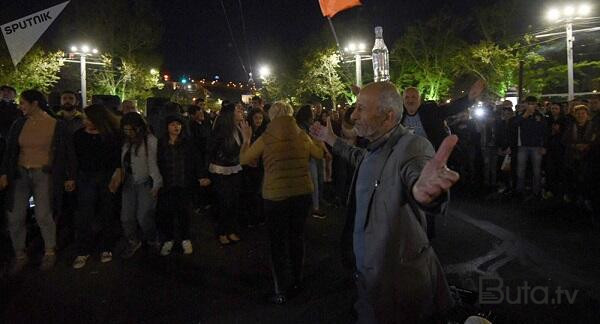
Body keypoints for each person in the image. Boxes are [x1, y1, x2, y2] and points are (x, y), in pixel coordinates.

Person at [310, 82, 458, 323]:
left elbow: (418, 175)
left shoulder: (413, 146)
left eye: (360, 109)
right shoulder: (376, 146)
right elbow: (360, 157)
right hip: (372, 280)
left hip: (397, 286)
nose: (353, 115)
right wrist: (331, 138)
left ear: (388, 116)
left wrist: (426, 192)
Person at [239, 101, 324, 304]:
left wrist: (246, 139)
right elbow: (319, 155)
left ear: (272, 116)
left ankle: (281, 288)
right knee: (296, 238)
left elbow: (244, 159)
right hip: (302, 193)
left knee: (277, 243)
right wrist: (318, 138)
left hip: (275, 196)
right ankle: (297, 280)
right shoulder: (302, 135)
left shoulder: (266, 137)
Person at [0, 90, 77, 275]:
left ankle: (49, 250)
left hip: (43, 173)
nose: (20, 106)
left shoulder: (56, 125)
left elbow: (68, 152)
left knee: (43, 214)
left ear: (35, 104)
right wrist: (4, 172)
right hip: (20, 173)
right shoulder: (19, 123)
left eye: (23, 103)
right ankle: (19, 253)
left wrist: (70, 176)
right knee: (15, 215)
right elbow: (10, 150)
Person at [71, 104, 122, 269]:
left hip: (106, 176)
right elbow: (74, 158)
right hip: (85, 177)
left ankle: (106, 247)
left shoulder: (110, 136)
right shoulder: (79, 135)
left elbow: (117, 157)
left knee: (107, 212)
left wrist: (117, 172)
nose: (85, 121)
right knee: (85, 213)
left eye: (88, 118)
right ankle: (83, 250)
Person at [118, 112, 163, 258]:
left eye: (131, 129)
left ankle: (152, 239)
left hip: (145, 182)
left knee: (144, 216)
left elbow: (154, 163)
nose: (128, 132)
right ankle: (133, 241)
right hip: (128, 182)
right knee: (126, 217)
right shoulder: (125, 141)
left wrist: (156, 184)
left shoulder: (149, 140)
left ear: (139, 128)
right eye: (125, 130)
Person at [156, 114, 201, 256]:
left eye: (179, 124)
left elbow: (195, 161)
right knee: (167, 213)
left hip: (183, 183)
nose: (176, 127)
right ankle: (169, 239)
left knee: (184, 212)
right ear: (167, 127)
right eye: (173, 124)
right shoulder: (161, 143)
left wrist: (200, 176)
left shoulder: (188, 142)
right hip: (167, 183)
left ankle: (185, 239)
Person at [402, 80, 485, 149]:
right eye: (407, 97)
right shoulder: (398, 115)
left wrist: (469, 99)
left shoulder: (430, 112)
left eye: (414, 97)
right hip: (406, 159)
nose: (410, 100)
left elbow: (450, 108)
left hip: (429, 158)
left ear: (420, 100)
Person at [207, 103, 244, 245]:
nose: (241, 112)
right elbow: (212, 150)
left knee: (234, 201)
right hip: (221, 169)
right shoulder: (221, 130)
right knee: (223, 202)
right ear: (230, 114)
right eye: (238, 110)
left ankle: (231, 230)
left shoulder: (239, 128)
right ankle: (221, 231)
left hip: (235, 168)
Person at [562, 105, 598, 209]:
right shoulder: (571, 127)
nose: (580, 115)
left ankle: (586, 198)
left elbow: (596, 140)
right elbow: (564, 141)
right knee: (573, 178)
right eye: (578, 114)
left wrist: (587, 146)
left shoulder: (593, 127)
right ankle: (574, 197)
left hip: (589, 158)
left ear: (587, 115)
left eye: (583, 113)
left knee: (588, 180)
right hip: (573, 158)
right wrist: (574, 146)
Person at [296, 105, 327, 219]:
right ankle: (315, 208)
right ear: (307, 115)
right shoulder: (302, 128)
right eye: (312, 112)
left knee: (314, 182)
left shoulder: (308, 126)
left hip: (311, 158)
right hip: (307, 159)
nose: (314, 114)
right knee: (313, 183)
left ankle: (314, 205)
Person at [512, 97, 547, 200]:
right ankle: (520, 190)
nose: (531, 105)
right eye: (529, 103)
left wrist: (544, 146)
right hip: (523, 146)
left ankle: (536, 191)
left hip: (536, 147)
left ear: (536, 105)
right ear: (526, 104)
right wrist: (525, 115)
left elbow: (544, 132)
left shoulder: (540, 116)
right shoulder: (521, 114)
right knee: (521, 169)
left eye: (533, 103)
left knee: (537, 170)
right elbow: (514, 125)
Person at [241, 108, 265, 227]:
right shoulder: (247, 131)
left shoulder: (262, 132)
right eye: (256, 118)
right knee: (250, 192)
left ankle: (257, 216)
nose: (258, 120)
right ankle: (250, 217)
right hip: (247, 165)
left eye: (260, 118)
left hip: (259, 165)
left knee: (257, 192)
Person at [187, 104, 212, 212]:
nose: (202, 113)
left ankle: (203, 202)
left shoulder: (203, 124)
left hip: (204, 156)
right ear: (192, 115)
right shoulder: (192, 126)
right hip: (198, 157)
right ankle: (199, 204)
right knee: (200, 180)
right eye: (199, 112)